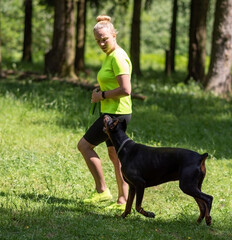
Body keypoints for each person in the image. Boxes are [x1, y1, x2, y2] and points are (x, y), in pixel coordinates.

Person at [77, 15, 132, 210]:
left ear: (114, 35)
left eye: (104, 39)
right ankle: (122, 201)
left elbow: (126, 89)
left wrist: (102, 96)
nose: (101, 43)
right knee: (116, 157)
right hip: (112, 112)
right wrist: (101, 90)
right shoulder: (111, 55)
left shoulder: (117, 57)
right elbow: (114, 82)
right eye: (98, 40)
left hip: (116, 115)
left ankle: (102, 192)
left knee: (84, 146)